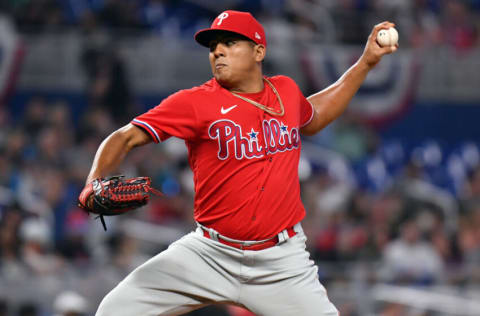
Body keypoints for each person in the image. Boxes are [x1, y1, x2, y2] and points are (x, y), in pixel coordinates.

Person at [81, 10, 397, 316]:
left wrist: (366, 62)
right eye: (213, 46)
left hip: (281, 263)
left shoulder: (284, 90)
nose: (218, 51)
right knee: (113, 310)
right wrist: (94, 180)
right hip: (209, 254)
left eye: (230, 42)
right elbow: (125, 137)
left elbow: (314, 116)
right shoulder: (195, 102)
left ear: (258, 50)